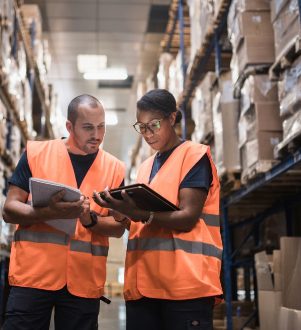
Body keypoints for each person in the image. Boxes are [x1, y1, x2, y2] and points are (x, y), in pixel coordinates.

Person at [93, 89, 223, 330]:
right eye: (141, 127)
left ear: (172, 118)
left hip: (185, 287)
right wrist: (118, 211)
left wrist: (139, 214)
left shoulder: (193, 156)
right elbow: (138, 225)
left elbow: (187, 218)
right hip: (143, 288)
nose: (147, 134)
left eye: (153, 125)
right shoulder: (144, 168)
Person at [2, 94, 127, 330]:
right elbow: (9, 209)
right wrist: (47, 212)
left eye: (102, 126)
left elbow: (119, 228)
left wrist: (89, 220)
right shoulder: (36, 154)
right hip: (33, 277)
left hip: (84, 281)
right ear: (69, 126)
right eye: (88, 127)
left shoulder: (115, 169)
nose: (97, 135)